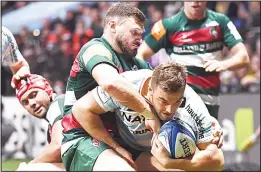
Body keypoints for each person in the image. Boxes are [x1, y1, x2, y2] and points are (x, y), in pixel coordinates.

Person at [67, 61, 224, 171]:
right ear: (150, 90)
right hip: (128, 148)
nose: (169, 109)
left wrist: (169, 163)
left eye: (177, 101)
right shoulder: (127, 85)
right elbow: (81, 109)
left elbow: (217, 160)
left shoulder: (193, 104)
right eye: (163, 100)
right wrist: (116, 147)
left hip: (167, 156)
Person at [61, 2, 161, 171]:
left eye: (141, 34)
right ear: (113, 26)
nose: (140, 39)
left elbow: (164, 94)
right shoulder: (94, 49)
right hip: (84, 138)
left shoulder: (139, 64)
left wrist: (205, 124)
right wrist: (148, 112)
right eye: (134, 32)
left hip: (122, 141)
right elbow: (111, 83)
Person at [137, 1, 250, 119]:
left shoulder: (221, 22)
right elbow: (140, 54)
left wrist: (224, 64)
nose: (195, 1)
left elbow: (243, 57)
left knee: (211, 137)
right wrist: (149, 82)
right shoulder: (169, 25)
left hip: (209, 104)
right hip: (180, 104)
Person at [15, 74, 65, 171]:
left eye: (34, 95)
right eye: (25, 102)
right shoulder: (50, 128)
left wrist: (29, 166)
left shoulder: (59, 102)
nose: (31, 103)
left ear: (47, 89)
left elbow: (58, 146)